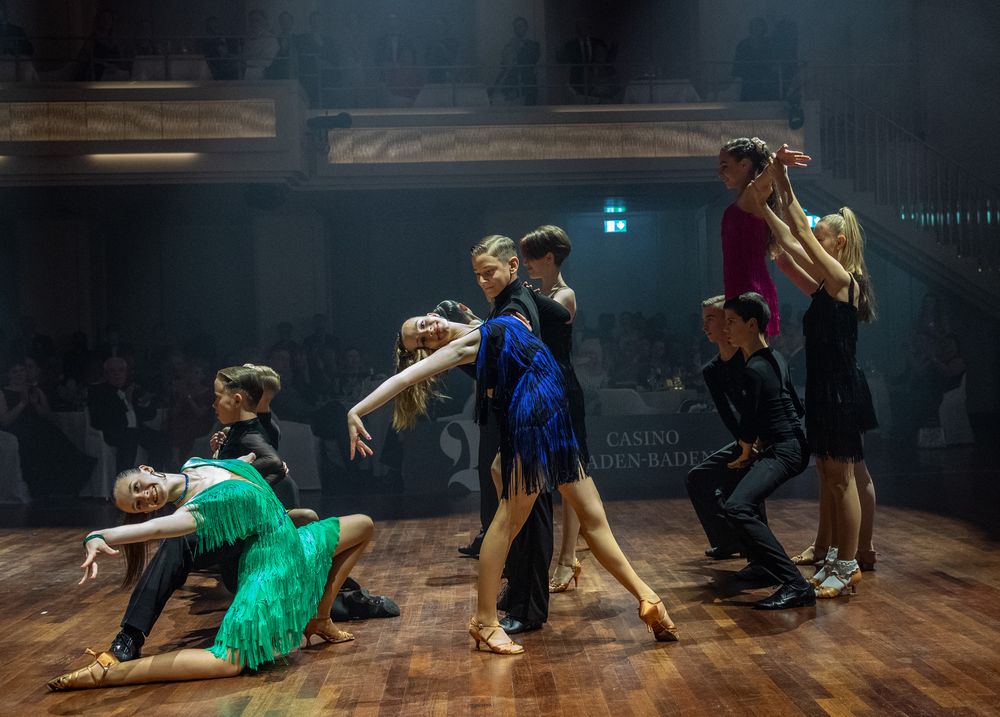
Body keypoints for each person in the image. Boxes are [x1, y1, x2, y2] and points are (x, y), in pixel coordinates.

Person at [348, 311, 678, 654]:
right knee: (508, 522)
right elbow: (403, 380)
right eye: (423, 341)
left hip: (553, 418)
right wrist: (356, 411)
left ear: (431, 314)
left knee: (593, 519)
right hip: (536, 420)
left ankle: (649, 598)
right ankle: (484, 622)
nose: (428, 333)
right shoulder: (466, 344)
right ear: (430, 350)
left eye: (422, 326)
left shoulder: (481, 325)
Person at [46, 455, 373, 690]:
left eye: (138, 488)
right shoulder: (191, 511)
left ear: (147, 470)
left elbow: (240, 470)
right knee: (229, 662)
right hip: (272, 562)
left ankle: (320, 617)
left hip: (292, 540)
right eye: (138, 504)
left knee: (363, 525)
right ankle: (111, 673)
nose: (145, 497)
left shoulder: (197, 463)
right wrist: (100, 535)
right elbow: (157, 528)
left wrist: (245, 461)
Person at [750, 146, 878, 596]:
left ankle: (848, 563)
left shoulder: (844, 282)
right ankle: (834, 558)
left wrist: (781, 179)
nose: (815, 240)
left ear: (838, 242)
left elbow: (799, 229)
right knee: (828, 476)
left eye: (822, 237)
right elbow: (789, 243)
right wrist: (768, 203)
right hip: (824, 389)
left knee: (843, 479)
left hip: (841, 391)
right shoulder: (824, 287)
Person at [719, 293, 814, 609]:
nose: (725, 328)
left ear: (751, 324)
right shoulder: (775, 358)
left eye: (731, 322)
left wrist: (748, 449)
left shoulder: (755, 369)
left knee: (737, 506)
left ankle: (795, 584)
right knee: (742, 498)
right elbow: (791, 407)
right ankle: (763, 565)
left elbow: (749, 421)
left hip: (785, 450)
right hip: (790, 444)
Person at [518, 225, 590, 594]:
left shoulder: (565, 295)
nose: (525, 263)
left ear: (549, 258)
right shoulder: (534, 293)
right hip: (540, 389)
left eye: (530, 256)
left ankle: (567, 559)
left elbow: (537, 330)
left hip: (561, 388)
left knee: (570, 477)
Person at [685, 296, 769, 562]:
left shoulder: (750, 361)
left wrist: (755, 443)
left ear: (727, 322)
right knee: (698, 478)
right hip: (745, 439)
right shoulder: (712, 370)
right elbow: (727, 413)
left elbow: (762, 406)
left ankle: (760, 553)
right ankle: (726, 540)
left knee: (742, 483)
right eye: (704, 320)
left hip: (768, 437)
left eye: (711, 319)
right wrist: (744, 444)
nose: (705, 327)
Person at [718, 136, 799, 337]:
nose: (720, 173)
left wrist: (775, 159)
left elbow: (766, 178)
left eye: (725, 166)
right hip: (743, 286)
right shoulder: (746, 197)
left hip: (750, 288)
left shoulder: (752, 195)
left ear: (744, 164)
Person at [0, 357, 95, 498]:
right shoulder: (3, 392)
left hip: (40, 427)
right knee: (34, 444)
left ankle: (63, 486)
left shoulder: (35, 390)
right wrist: (22, 404)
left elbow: (49, 416)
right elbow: (5, 421)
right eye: (15, 372)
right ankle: (40, 487)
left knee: (57, 441)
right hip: (18, 428)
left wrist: (36, 404)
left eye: (22, 370)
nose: (19, 374)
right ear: (9, 375)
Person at [88, 357, 170, 474]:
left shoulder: (132, 389)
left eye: (121, 371)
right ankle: (122, 481)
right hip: (113, 430)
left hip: (136, 430)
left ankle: (155, 476)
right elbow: (99, 419)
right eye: (113, 371)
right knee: (129, 437)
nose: (117, 375)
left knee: (160, 438)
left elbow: (149, 415)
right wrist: (127, 403)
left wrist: (145, 402)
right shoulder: (98, 392)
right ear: (106, 374)